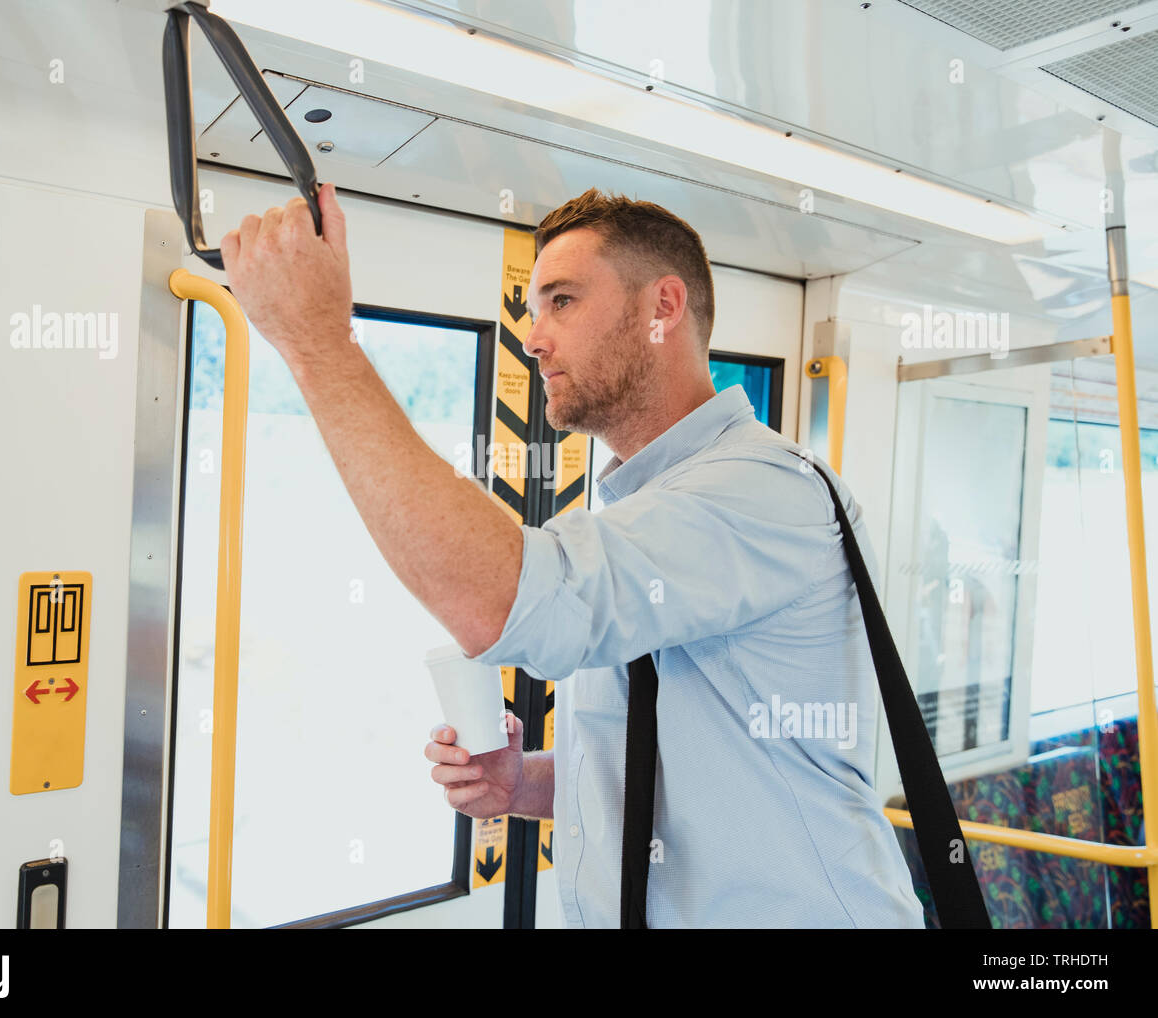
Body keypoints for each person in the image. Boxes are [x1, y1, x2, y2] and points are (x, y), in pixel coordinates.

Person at [222, 183, 924, 929]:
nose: (533, 336)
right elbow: (677, 769)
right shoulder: (646, 510)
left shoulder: (761, 490)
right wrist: (521, 785)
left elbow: (508, 602)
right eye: (532, 309)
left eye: (561, 301)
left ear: (663, 308)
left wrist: (319, 343)